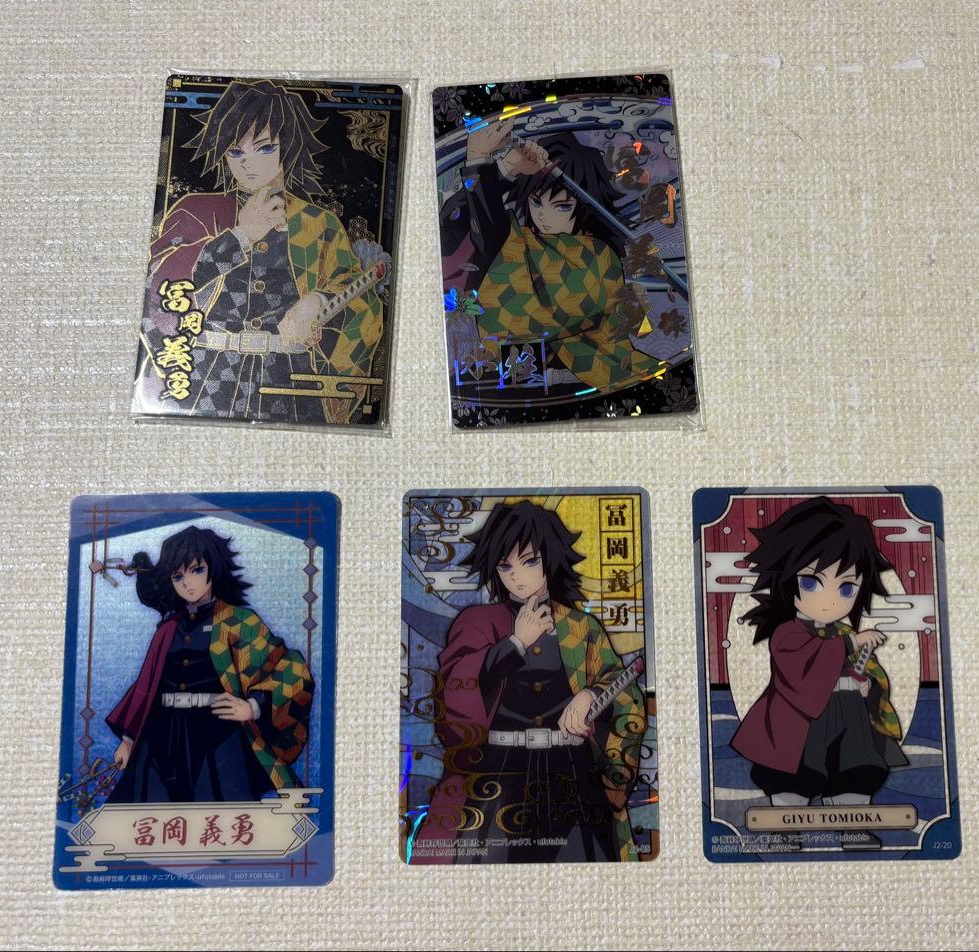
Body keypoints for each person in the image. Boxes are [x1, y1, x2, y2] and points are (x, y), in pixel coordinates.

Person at [139, 78, 382, 424]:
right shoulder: (197, 210)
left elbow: (361, 297)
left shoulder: (318, 223)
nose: (248, 164)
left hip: (289, 379)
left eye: (265, 148)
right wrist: (240, 236)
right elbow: (158, 284)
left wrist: (317, 302)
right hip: (206, 377)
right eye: (235, 152)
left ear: (288, 146)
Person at [415, 501, 645, 863]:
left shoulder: (581, 627)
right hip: (499, 778)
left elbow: (622, 687)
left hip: (572, 775)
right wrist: (514, 644)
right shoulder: (478, 622)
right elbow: (455, 694)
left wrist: (590, 694)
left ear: (550, 559)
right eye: (505, 566)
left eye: (529, 561)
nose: (516, 577)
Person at [730, 497, 908, 850]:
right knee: (796, 772)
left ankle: (853, 826)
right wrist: (851, 643)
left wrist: (867, 685)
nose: (830, 600)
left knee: (855, 767)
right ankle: (785, 829)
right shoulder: (788, 634)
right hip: (801, 722)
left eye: (846, 588)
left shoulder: (842, 633)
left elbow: (866, 674)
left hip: (848, 715)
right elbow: (800, 673)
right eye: (812, 583)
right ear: (786, 581)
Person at [439, 122, 662, 396]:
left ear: (585, 205)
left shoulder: (598, 258)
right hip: (514, 384)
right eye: (536, 202)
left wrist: (481, 164)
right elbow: (452, 226)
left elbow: (492, 241)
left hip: (602, 383)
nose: (543, 216)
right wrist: (505, 170)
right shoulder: (524, 243)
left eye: (562, 206)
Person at [102, 526, 313, 803]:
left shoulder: (239, 621)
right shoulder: (168, 628)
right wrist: (129, 740)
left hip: (219, 735)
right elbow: (147, 686)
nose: (187, 583)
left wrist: (253, 706)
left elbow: (290, 668)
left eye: (196, 570)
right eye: (178, 576)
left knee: (222, 809)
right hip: (162, 736)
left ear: (214, 567)